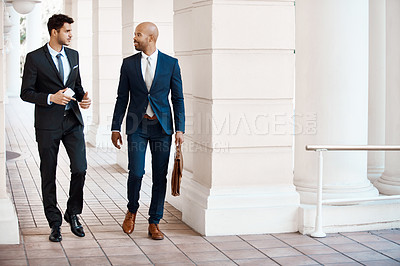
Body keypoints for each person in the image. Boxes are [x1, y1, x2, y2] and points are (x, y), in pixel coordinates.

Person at [20, 14, 91, 242]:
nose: (71, 34)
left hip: (72, 122)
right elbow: (26, 93)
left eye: (71, 31)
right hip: (47, 125)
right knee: (48, 173)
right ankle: (54, 222)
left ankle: (73, 212)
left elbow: (76, 86)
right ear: (54, 32)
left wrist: (83, 98)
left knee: (80, 168)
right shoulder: (34, 58)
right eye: (67, 31)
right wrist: (50, 97)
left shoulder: (74, 55)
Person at [111, 22, 185, 240]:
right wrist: (115, 127)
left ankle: (154, 221)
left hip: (162, 128)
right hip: (137, 126)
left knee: (159, 176)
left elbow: (178, 98)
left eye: (138, 35)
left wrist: (180, 128)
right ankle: (131, 210)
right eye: (135, 34)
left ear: (151, 38)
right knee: (136, 172)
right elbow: (122, 98)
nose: (134, 38)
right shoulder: (128, 64)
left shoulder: (171, 64)